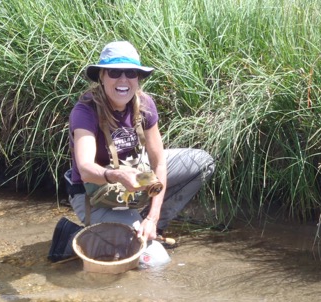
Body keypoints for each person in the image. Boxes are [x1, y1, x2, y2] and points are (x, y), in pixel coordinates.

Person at [65, 40, 215, 244]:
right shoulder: (85, 111)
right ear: (101, 76)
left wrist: (153, 218)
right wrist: (117, 175)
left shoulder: (145, 104)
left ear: (138, 78)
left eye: (131, 73)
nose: (123, 80)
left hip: (133, 175)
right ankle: (92, 233)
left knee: (202, 162)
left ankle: (152, 225)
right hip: (92, 192)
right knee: (153, 261)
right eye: (115, 73)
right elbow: (85, 169)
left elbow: (159, 163)